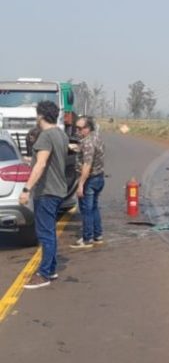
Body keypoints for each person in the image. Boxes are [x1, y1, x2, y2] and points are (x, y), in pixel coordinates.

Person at [20, 101, 69, 289]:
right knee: (49, 233)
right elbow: (49, 161)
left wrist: (26, 189)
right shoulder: (61, 135)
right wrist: (29, 159)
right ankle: (51, 268)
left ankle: (44, 273)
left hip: (47, 191)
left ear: (40, 116)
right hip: (58, 190)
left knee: (45, 233)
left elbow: (41, 165)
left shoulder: (45, 136)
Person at [71, 116, 106, 249]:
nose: (77, 131)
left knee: (86, 210)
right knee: (94, 208)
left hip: (89, 179)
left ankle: (87, 239)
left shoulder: (87, 143)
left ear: (88, 128)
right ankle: (97, 235)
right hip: (99, 177)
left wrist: (80, 185)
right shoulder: (96, 138)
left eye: (80, 128)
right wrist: (77, 148)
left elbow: (87, 164)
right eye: (76, 128)